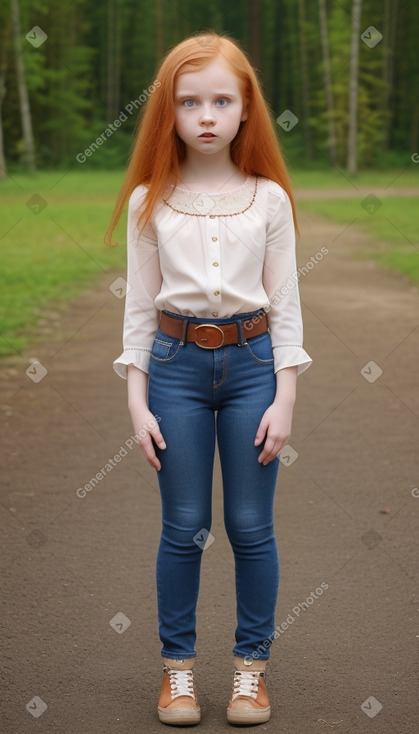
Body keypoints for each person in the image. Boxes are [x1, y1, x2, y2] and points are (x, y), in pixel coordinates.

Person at [106, 31, 312, 727]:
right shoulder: (147, 200)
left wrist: (284, 396)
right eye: (187, 102)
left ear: (245, 108)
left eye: (220, 100)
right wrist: (136, 401)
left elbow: (285, 306)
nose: (204, 115)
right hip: (174, 371)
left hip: (254, 369)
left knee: (251, 527)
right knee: (185, 527)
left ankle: (250, 674)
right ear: (167, 111)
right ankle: (178, 676)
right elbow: (139, 308)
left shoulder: (268, 201)